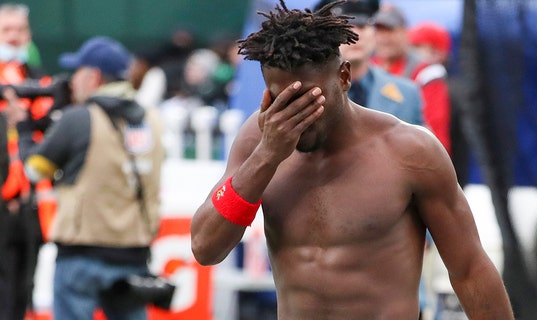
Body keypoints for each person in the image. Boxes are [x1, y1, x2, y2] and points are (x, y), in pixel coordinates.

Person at [190, 1, 514, 319]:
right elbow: (206, 248)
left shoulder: (409, 150)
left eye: (309, 100)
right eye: (282, 100)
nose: (297, 116)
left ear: (344, 77)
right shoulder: (257, 139)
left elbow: (469, 268)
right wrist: (267, 156)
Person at [10, 36, 165, 320]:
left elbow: (33, 169)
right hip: (134, 255)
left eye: (77, 73)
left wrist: (22, 127)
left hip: (81, 255)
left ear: (93, 77)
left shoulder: (79, 118)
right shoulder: (153, 120)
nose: (72, 82)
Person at [0, 4, 55, 320]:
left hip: (32, 205)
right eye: (6, 30)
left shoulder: (39, 81)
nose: (13, 37)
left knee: (25, 288)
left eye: (19, 30)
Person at [325, 0, 423, 126]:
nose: (355, 34)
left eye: (362, 26)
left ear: (375, 34)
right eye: (346, 26)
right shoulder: (317, 93)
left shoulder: (407, 93)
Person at [371, 4, 452, 154]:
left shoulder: (426, 73)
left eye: (390, 30)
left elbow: (437, 138)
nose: (383, 37)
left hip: (408, 159)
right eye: (378, 30)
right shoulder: (366, 69)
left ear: (405, 32)